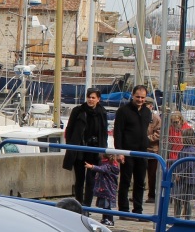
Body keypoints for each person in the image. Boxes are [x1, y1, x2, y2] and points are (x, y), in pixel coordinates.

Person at [62, 89, 108, 210]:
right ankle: (78, 204)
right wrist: (70, 146)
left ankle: (87, 206)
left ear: (98, 99)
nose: (90, 100)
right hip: (80, 149)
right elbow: (70, 129)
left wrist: (103, 149)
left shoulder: (102, 112)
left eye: (93, 98)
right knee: (79, 179)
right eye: (89, 97)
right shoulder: (78, 111)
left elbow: (104, 133)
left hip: (94, 150)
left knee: (91, 180)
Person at [112, 85, 153, 215]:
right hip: (127, 151)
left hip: (142, 151)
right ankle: (124, 210)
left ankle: (138, 210)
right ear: (132, 95)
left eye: (142, 97)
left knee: (140, 182)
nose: (140, 99)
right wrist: (119, 151)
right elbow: (117, 132)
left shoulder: (147, 112)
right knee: (125, 181)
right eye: (137, 97)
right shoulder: (123, 111)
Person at [172, 127, 195, 219]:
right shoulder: (186, 148)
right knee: (182, 200)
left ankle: (182, 219)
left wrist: (180, 174)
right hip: (186, 179)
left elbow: (190, 165)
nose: (181, 138)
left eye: (182, 136)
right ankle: (181, 218)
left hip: (187, 180)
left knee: (182, 200)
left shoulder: (190, 150)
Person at [85, 154, 120, 226]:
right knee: (105, 206)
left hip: (107, 189)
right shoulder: (109, 164)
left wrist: (91, 166)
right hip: (104, 189)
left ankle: (110, 220)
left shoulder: (109, 166)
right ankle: (105, 218)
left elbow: (101, 169)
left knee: (107, 206)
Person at [146, 110, 162, 202]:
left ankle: (152, 195)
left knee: (152, 175)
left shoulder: (156, 118)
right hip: (141, 150)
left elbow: (159, 134)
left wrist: (146, 139)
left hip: (153, 151)